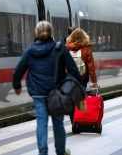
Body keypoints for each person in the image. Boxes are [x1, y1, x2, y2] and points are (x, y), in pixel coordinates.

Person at [12, 21, 79, 155]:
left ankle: (43, 152)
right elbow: (73, 69)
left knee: (41, 123)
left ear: (36, 33)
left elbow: (18, 71)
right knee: (58, 123)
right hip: (57, 93)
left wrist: (17, 86)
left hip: (38, 93)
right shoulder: (60, 49)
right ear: (51, 33)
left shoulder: (30, 51)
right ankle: (60, 152)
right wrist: (78, 89)